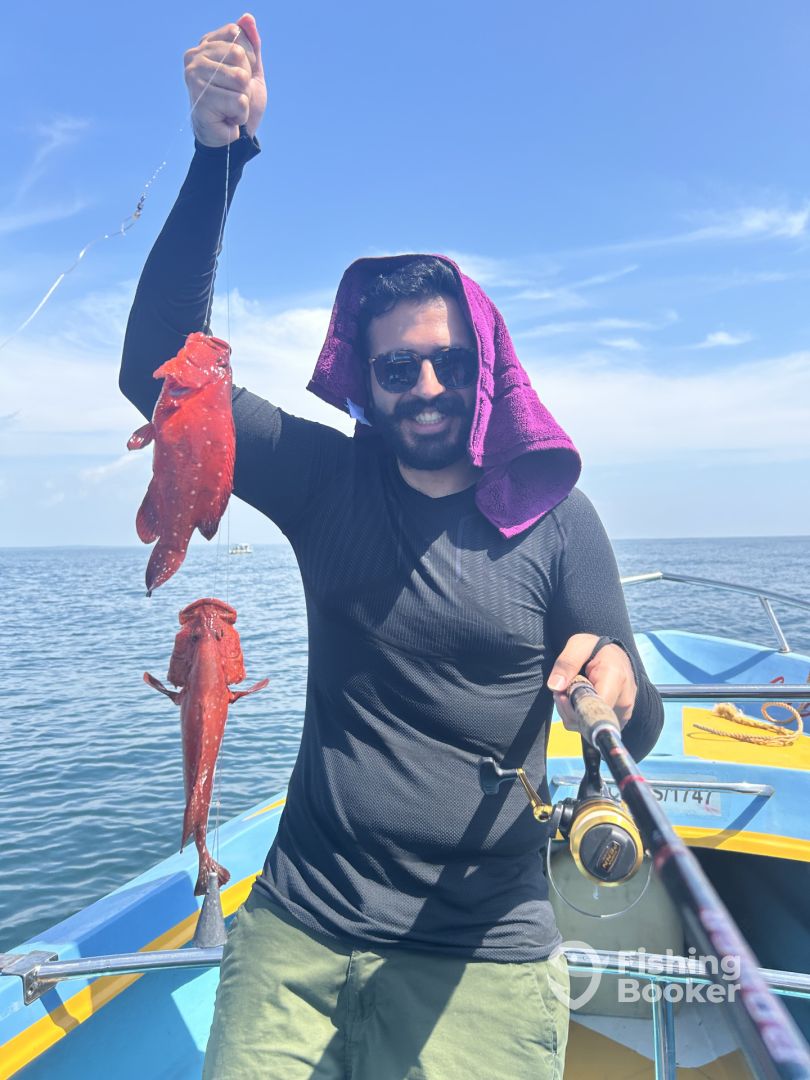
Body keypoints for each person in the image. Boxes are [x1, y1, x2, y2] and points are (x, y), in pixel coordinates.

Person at [119, 14, 663, 1080]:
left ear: (487, 369)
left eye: (449, 364)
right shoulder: (330, 482)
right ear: (362, 381)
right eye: (397, 369)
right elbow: (159, 372)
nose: (426, 387)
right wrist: (218, 156)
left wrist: (617, 686)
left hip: (483, 952)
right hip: (299, 922)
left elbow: (633, 730)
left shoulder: (558, 520)